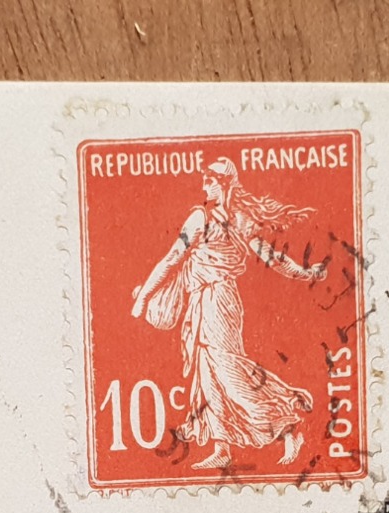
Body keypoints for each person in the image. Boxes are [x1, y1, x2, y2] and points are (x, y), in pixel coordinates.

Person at [130, 157, 326, 471]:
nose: (203, 185)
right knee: (208, 374)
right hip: (208, 300)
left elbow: (172, 261)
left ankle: (288, 425)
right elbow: (173, 259)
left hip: (217, 301)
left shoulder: (212, 219)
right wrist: (303, 273)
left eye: (208, 180)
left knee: (228, 371)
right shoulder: (222, 218)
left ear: (223, 182)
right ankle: (222, 447)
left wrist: (143, 300)